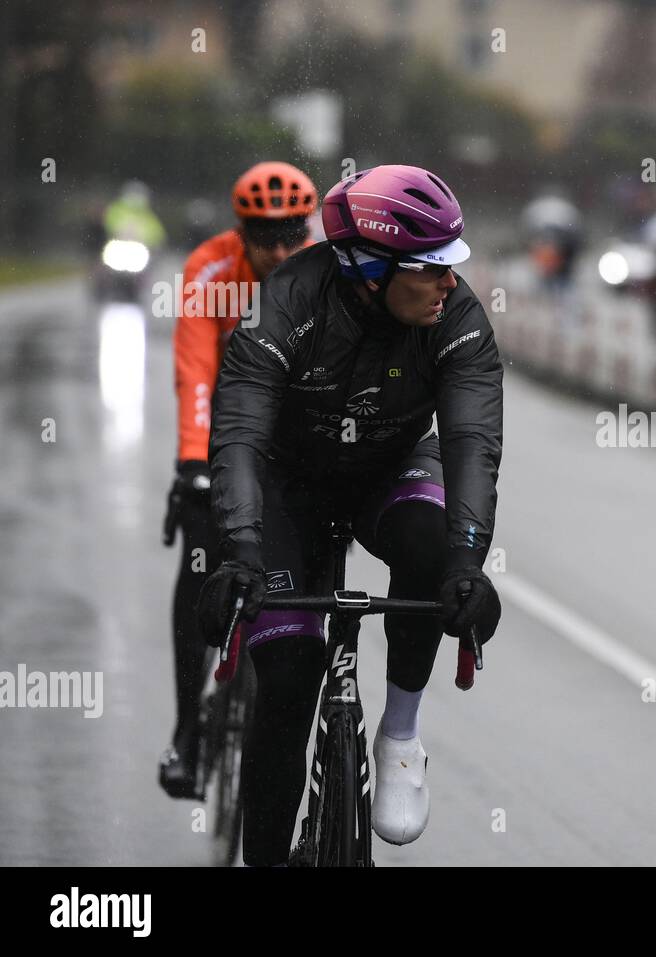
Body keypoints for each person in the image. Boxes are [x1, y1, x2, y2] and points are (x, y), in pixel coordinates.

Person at [195, 164, 504, 865]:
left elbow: (471, 445)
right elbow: (238, 433)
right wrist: (240, 549)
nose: (451, 282)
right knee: (290, 674)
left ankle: (398, 735)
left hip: (389, 469)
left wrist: (465, 561)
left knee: (431, 544)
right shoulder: (285, 303)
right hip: (286, 485)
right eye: (432, 267)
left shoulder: (454, 318)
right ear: (370, 268)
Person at [159, 161, 319, 798]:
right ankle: (185, 732)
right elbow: (195, 370)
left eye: (291, 236)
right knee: (199, 562)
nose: (279, 252)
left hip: (299, 431)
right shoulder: (212, 268)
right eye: (264, 238)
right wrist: (194, 464)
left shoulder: (323, 268)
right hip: (226, 431)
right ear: (240, 231)